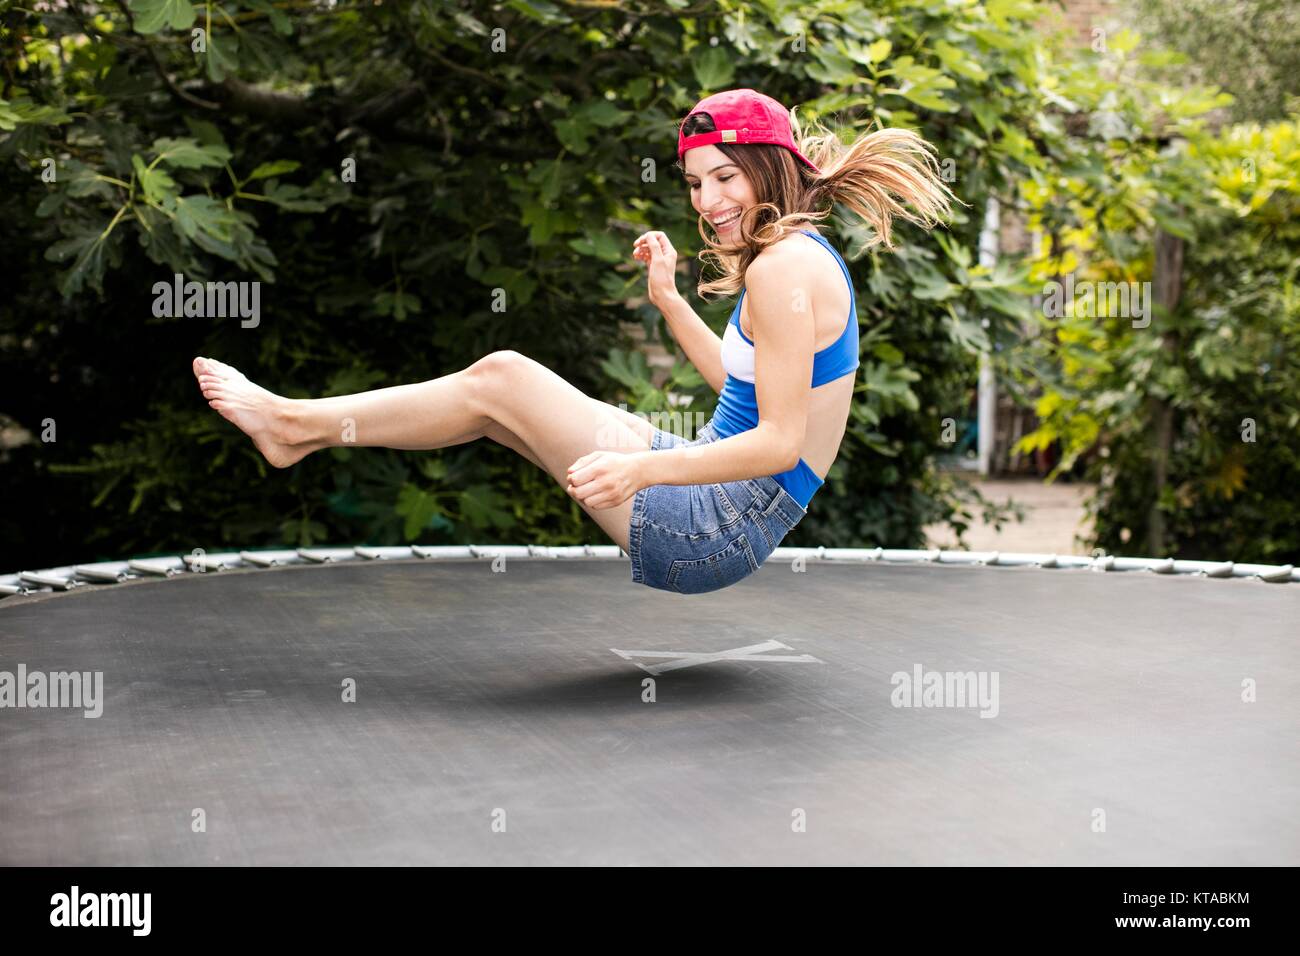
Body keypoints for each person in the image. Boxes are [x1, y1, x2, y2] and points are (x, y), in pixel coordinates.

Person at [192, 88, 954, 595]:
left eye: (725, 178)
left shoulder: (782, 268)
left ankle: (291, 427)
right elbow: (745, 387)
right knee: (495, 403)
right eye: (694, 183)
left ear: (766, 168)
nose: (708, 200)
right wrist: (668, 302)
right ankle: (296, 430)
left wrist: (640, 470)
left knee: (504, 377)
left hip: (714, 526)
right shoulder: (799, 258)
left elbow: (779, 443)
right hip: (720, 506)